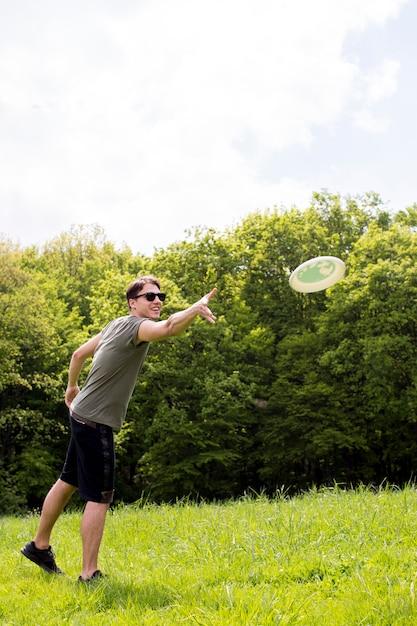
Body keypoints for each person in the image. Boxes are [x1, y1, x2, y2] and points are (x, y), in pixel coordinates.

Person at [21, 275, 217, 582]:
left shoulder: (114, 325)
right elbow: (168, 328)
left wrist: (72, 387)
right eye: (149, 296)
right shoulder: (136, 327)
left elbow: (77, 355)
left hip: (81, 414)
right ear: (133, 303)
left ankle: (39, 546)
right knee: (99, 497)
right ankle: (89, 573)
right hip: (95, 422)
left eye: (159, 296)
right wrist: (196, 307)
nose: (157, 300)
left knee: (67, 480)